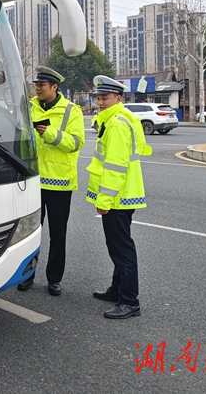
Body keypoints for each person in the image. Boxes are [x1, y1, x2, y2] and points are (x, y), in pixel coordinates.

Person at [86, 75, 152, 319]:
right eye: (99, 98)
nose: (101, 102)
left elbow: (115, 166)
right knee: (118, 246)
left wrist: (103, 201)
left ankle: (129, 301)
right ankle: (117, 290)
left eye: (105, 98)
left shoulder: (116, 124)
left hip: (117, 197)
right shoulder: (120, 118)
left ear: (118, 98)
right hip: (124, 195)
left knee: (121, 249)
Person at [18, 67, 85, 295]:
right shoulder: (29, 107)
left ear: (54, 87)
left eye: (42, 85)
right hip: (33, 181)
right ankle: (26, 275)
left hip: (59, 183)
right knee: (29, 233)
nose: (37, 88)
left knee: (58, 234)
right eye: (36, 85)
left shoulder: (71, 111)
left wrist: (49, 133)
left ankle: (54, 279)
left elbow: (76, 143)